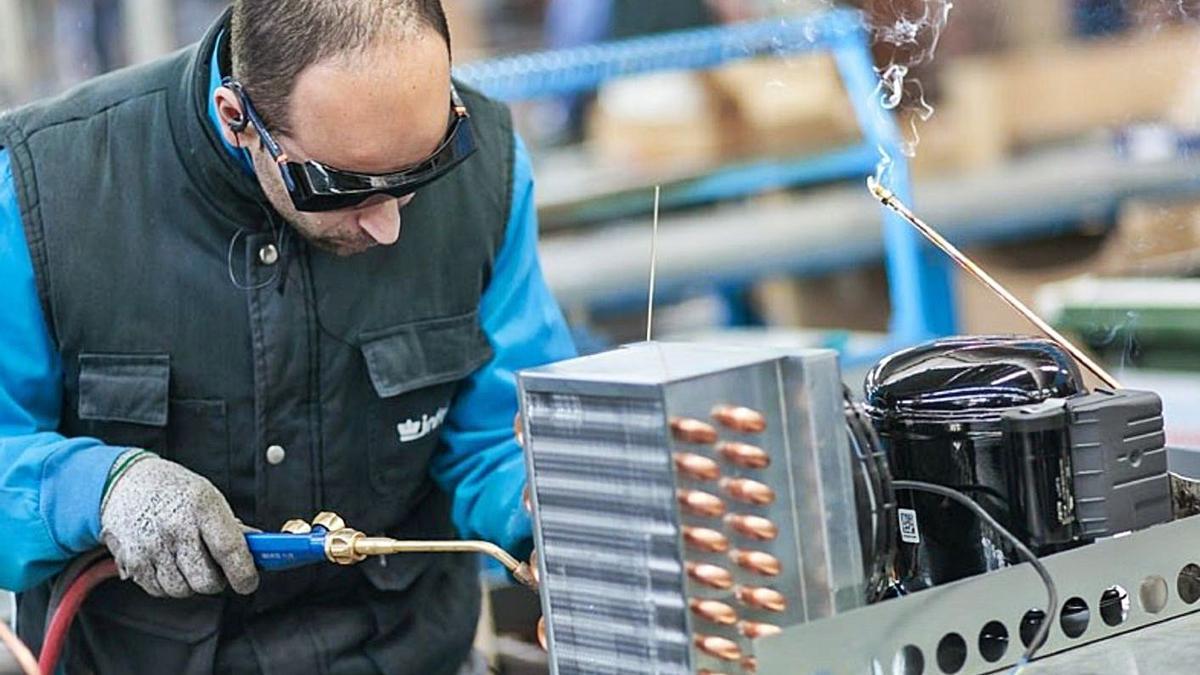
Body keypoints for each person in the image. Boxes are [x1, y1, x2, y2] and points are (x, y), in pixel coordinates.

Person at [0, 0, 574, 672]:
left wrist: (550, 513)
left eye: (426, 168)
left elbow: (499, 440)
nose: (388, 225)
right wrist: (99, 490)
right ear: (236, 116)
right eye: (342, 186)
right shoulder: (48, 191)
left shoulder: (491, 176)